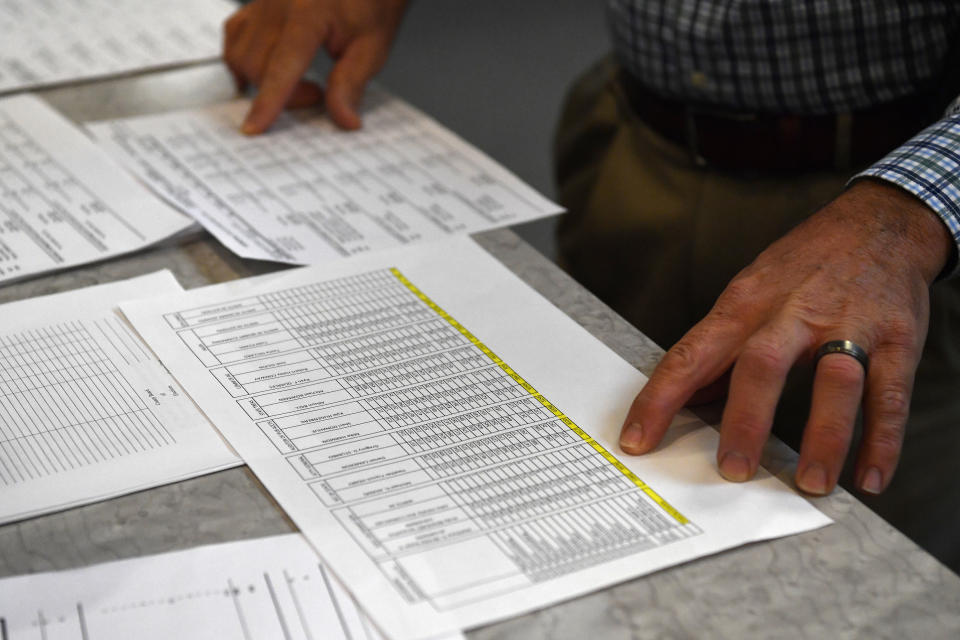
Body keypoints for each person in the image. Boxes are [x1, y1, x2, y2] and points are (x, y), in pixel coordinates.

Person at [223, 0, 960, 571]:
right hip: (637, 146)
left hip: (904, 224)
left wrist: (907, 217)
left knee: (860, 554)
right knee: (595, 513)